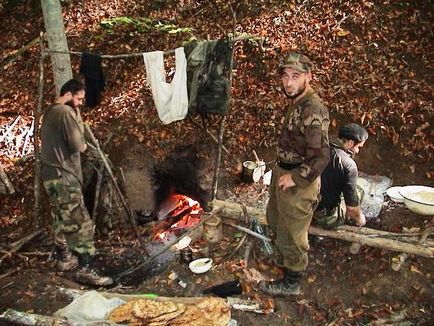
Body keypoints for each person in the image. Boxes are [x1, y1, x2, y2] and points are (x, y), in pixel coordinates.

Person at [260, 53, 330, 296]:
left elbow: (322, 156)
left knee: (293, 232)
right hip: (284, 173)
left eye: (295, 76)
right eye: (285, 76)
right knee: (277, 219)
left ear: (308, 78)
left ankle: (291, 283)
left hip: (299, 181)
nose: (288, 82)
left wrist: (296, 178)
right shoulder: (297, 103)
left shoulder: (313, 109)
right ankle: (282, 262)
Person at [41, 79, 113, 286]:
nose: (80, 103)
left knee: (61, 217)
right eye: (79, 99)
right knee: (82, 222)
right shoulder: (64, 113)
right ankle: (86, 269)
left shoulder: (50, 111)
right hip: (64, 177)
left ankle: (64, 258)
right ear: (69, 94)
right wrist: (77, 119)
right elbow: (78, 145)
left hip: (51, 176)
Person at [314, 123, 368, 228]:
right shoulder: (348, 165)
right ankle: (325, 228)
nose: (357, 151)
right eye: (358, 147)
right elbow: (352, 208)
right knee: (359, 191)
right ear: (350, 142)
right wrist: (360, 219)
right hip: (323, 217)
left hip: (302, 209)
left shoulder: (318, 146)